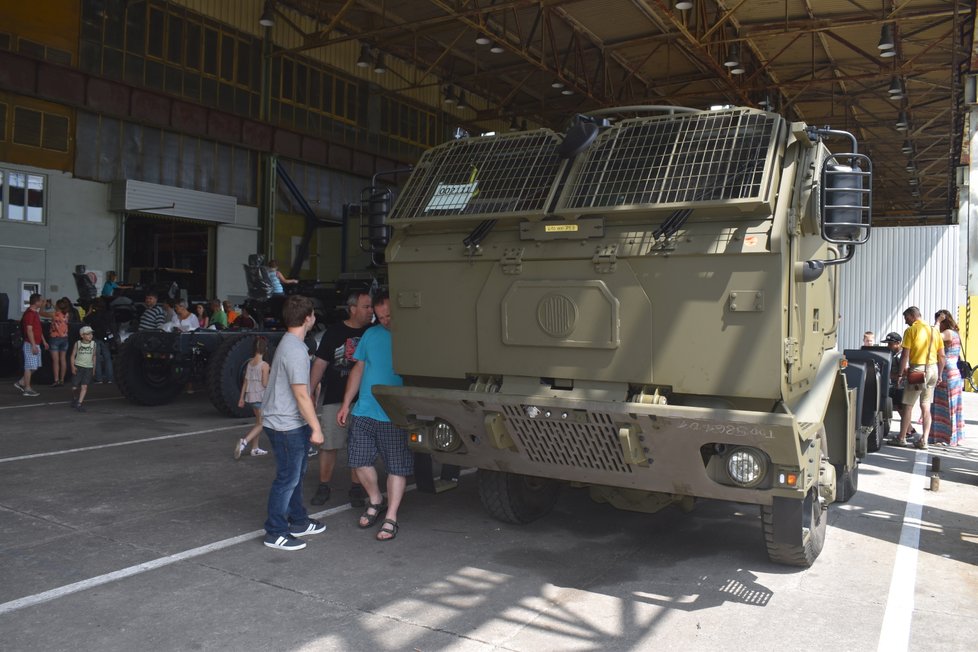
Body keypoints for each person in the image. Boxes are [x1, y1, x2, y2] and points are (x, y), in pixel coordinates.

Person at [337, 292, 410, 542]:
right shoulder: (370, 334)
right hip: (365, 409)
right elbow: (358, 368)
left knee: (396, 466)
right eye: (380, 317)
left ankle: (391, 516)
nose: (385, 320)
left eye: (389, 315)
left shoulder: (411, 336)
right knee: (358, 460)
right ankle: (376, 499)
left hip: (394, 412)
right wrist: (347, 403)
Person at [261, 295, 325, 551]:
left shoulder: (288, 343)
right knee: (288, 478)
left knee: (295, 475)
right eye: (313, 314)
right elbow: (300, 394)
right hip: (285, 424)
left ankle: (298, 520)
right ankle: (275, 531)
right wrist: (317, 428)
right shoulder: (296, 350)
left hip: (284, 421)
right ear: (308, 318)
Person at [308, 291, 374, 507]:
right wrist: (309, 390)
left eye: (371, 306)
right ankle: (324, 485)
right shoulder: (334, 332)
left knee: (359, 445)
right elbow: (320, 363)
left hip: (364, 400)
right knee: (329, 445)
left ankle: (356, 487)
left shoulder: (372, 332)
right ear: (352, 308)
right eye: (366, 306)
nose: (370, 310)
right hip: (335, 398)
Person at [895, 306, 945, 449]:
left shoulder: (911, 331)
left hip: (918, 370)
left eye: (906, 318)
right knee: (926, 406)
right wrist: (940, 374)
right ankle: (924, 440)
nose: (906, 322)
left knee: (908, 406)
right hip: (933, 369)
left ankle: (902, 437)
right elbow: (942, 356)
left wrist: (900, 374)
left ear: (912, 316)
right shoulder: (934, 331)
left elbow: (905, 355)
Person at [931, 309, 965, 446]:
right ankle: (954, 436)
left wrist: (937, 322)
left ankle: (944, 436)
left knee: (944, 405)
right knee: (953, 405)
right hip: (955, 371)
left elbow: (933, 337)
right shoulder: (956, 333)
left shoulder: (947, 333)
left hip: (946, 372)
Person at [235, 336, 270, 458]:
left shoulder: (249, 363)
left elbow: (245, 382)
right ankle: (244, 442)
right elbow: (265, 383)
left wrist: (241, 398)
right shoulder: (264, 365)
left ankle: (255, 448)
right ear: (265, 349)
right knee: (263, 423)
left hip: (251, 397)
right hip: (261, 397)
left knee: (258, 422)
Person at [15, 293, 47, 397]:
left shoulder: (35, 313)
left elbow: (38, 329)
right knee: (29, 366)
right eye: (41, 301)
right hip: (30, 343)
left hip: (36, 342)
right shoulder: (29, 314)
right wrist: (33, 345)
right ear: (36, 302)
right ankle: (27, 388)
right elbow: (29, 330)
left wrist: (44, 341)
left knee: (35, 366)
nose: (42, 302)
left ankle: (21, 382)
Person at [85, 297, 117, 384]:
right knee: (107, 358)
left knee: (97, 358)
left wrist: (90, 311)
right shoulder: (108, 313)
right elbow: (112, 325)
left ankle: (99, 378)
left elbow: (85, 320)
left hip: (96, 336)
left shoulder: (93, 315)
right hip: (106, 337)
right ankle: (110, 378)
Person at [70, 325, 98, 412]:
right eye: (88, 334)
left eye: (91, 334)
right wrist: (72, 366)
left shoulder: (94, 344)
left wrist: (93, 368)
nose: (90, 336)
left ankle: (79, 403)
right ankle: (75, 398)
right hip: (78, 366)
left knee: (84, 386)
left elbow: (94, 356)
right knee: (74, 387)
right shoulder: (78, 343)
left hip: (88, 367)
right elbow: (72, 355)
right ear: (82, 335)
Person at [47, 298, 71, 386]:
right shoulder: (66, 314)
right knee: (63, 359)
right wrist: (53, 304)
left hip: (55, 338)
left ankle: (56, 380)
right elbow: (59, 311)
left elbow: (41, 313)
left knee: (55, 361)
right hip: (65, 338)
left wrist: (42, 306)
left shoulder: (54, 314)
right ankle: (62, 380)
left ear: (58, 306)